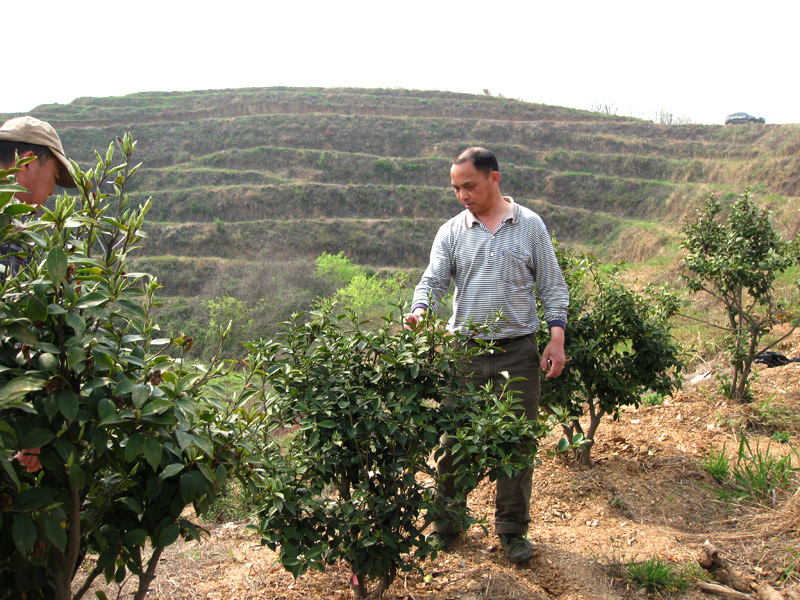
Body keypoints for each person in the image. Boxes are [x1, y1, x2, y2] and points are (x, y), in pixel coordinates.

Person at [405, 147, 568, 563]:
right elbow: (434, 278)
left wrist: (556, 338)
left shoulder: (529, 225)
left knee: (516, 444)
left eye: (470, 185)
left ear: (494, 178)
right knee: (452, 443)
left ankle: (512, 530)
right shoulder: (452, 231)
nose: (462, 194)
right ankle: (447, 524)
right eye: (456, 188)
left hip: (518, 352)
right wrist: (421, 308)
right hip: (466, 354)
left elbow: (551, 285)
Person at [0, 116, 77, 474]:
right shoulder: (13, 235)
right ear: (28, 163)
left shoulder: (20, 231)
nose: (51, 194)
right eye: (53, 180)